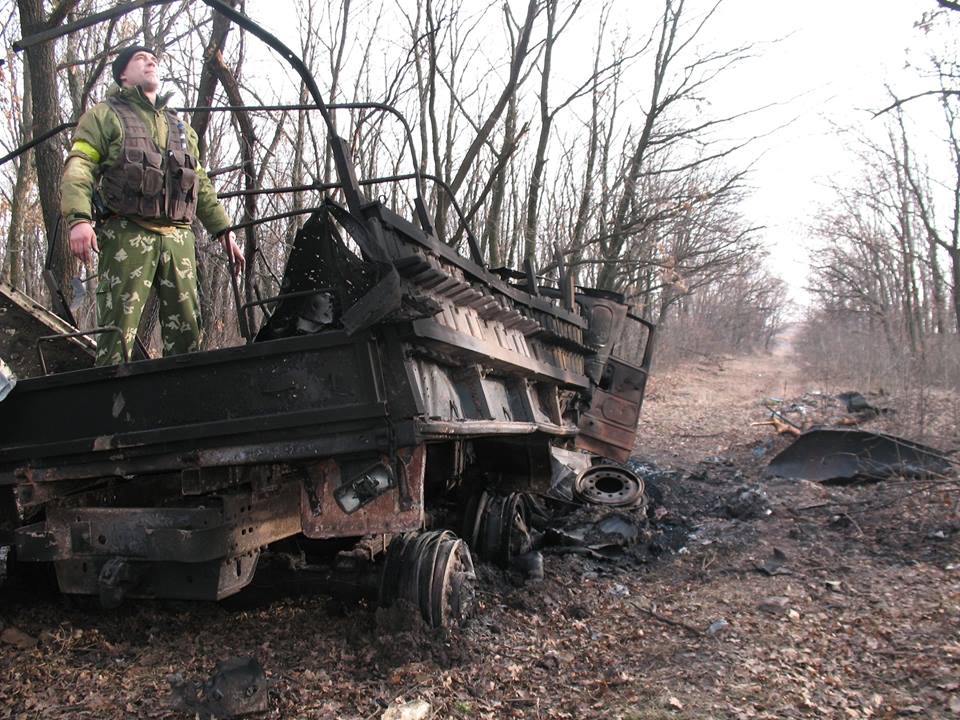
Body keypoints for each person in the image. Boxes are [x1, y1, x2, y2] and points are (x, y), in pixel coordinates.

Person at [61, 45, 244, 365]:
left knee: (187, 332)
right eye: (140, 59)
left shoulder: (180, 128)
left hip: (179, 239)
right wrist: (79, 219)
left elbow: (199, 184)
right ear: (123, 74)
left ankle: (184, 405)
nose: (150, 62)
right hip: (128, 232)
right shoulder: (105, 116)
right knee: (117, 332)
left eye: (153, 59)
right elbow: (79, 167)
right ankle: (109, 404)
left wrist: (223, 231)